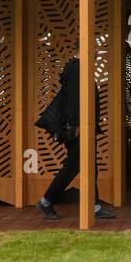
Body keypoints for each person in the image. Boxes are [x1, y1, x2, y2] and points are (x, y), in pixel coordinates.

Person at [34, 57, 116, 220]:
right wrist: (76, 124)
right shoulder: (77, 68)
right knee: (72, 167)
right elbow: (73, 98)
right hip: (78, 129)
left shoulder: (79, 68)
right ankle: (46, 201)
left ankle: (94, 207)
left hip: (84, 127)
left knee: (89, 166)